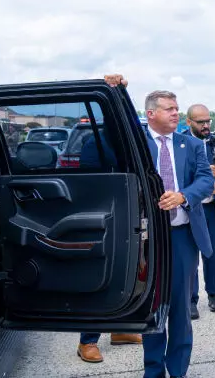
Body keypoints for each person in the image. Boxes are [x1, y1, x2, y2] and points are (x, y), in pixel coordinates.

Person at [141, 89, 215, 378]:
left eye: (176, 108)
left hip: (182, 235)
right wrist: (114, 88)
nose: (176, 113)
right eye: (169, 109)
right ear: (150, 114)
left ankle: (178, 370)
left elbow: (205, 180)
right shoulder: (136, 142)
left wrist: (183, 196)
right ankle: (153, 370)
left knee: (181, 307)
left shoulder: (191, 144)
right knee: (153, 305)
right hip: (148, 239)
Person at [75, 101, 141, 363]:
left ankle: (120, 329)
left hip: (129, 216)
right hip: (105, 217)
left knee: (127, 276)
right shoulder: (96, 144)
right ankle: (87, 340)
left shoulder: (130, 141)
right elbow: (90, 183)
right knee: (100, 279)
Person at [185, 104, 215, 317]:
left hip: (212, 207)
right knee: (190, 255)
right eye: (201, 122)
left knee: (214, 254)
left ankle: (214, 294)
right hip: (190, 208)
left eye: (208, 121)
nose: (206, 126)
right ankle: (190, 299)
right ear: (189, 122)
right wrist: (204, 175)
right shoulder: (181, 142)